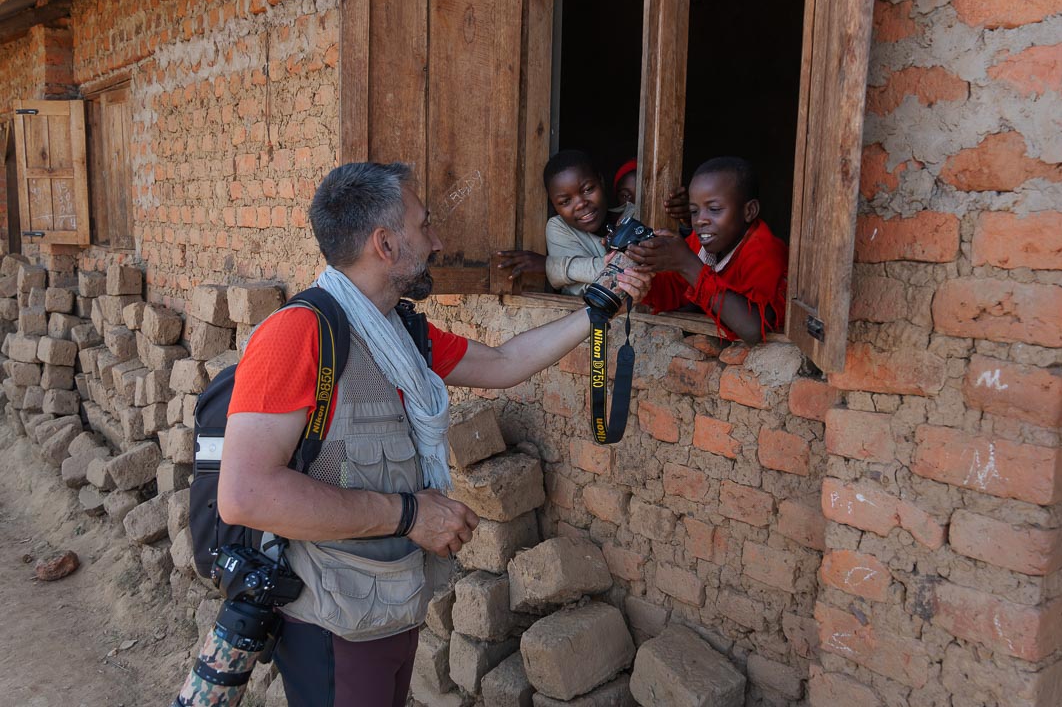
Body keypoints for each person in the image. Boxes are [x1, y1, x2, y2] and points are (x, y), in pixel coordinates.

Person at [217, 162, 651, 707]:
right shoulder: (297, 336)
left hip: (392, 605)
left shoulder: (400, 334)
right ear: (385, 243)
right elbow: (244, 495)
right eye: (425, 225)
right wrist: (411, 514)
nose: (438, 241)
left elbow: (501, 362)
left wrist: (598, 307)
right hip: (332, 624)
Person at [626, 156, 788, 344]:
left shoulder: (764, 251)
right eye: (694, 211)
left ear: (749, 211)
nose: (700, 220)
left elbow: (753, 329)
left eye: (714, 209)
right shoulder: (702, 242)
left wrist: (686, 263)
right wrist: (640, 273)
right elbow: (674, 290)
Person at [495, 150, 633, 295]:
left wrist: (550, 266)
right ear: (554, 206)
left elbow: (633, 272)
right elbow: (584, 291)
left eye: (588, 189)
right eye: (565, 201)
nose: (580, 204)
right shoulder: (559, 228)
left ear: (601, 181)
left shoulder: (634, 216)